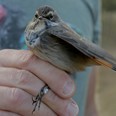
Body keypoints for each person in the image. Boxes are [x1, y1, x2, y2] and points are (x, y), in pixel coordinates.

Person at [0, 0, 101, 116]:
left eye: (49, 17)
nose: (41, 20)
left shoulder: (91, 2)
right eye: (37, 17)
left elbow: (89, 106)